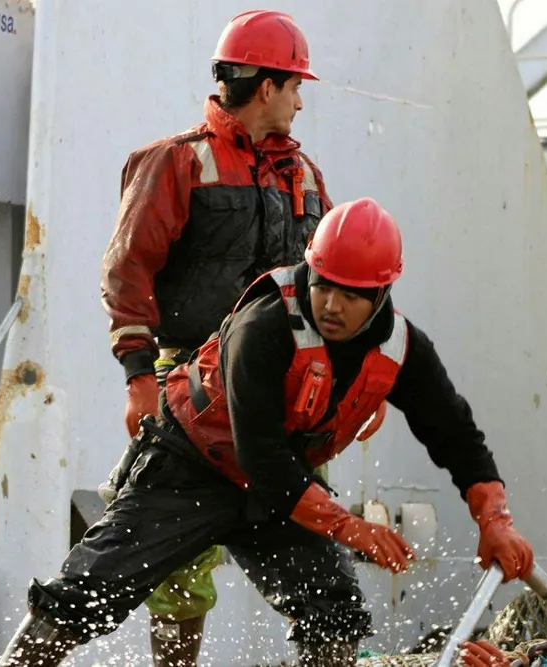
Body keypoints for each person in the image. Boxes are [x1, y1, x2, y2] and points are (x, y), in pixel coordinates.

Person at [0, 197, 535, 666]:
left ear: (381, 293)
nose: (332, 305)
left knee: (336, 612)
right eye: (323, 285)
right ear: (311, 270)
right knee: (82, 594)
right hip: (189, 468)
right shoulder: (264, 323)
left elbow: (455, 434)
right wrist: (349, 527)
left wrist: (495, 520)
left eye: (351, 295)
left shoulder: (403, 350)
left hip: (279, 490)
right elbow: (261, 454)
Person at [96, 9, 331, 664]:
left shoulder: (308, 178)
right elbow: (127, 270)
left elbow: (334, 288)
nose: (300, 101)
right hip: (189, 388)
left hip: (284, 395)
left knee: (312, 557)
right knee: (175, 562)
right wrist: (139, 380)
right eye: (295, 86)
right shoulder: (176, 163)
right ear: (267, 86)